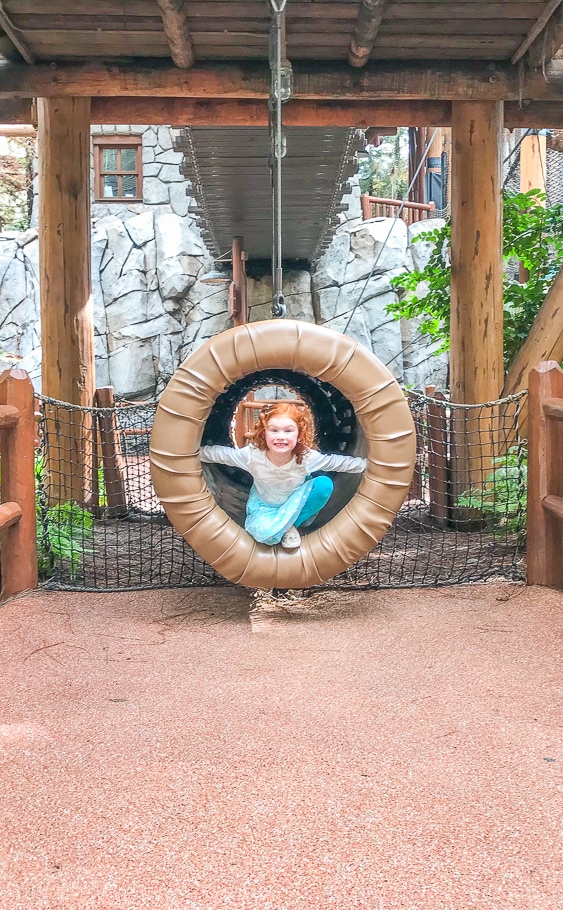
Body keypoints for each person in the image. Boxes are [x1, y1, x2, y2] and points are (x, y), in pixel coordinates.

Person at [200, 400, 366, 549]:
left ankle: (291, 523)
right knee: (265, 535)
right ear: (264, 433)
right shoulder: (252, 456)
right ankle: (285, 526)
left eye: (288, 431)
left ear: (299, 434)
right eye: (274, 430)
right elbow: (221, 454)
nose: (281, 437)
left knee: (324, 485)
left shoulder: (307, 457)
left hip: (296, 501)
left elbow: (338, 463)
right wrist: (189, 452)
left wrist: (368, 465)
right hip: (265, 506)